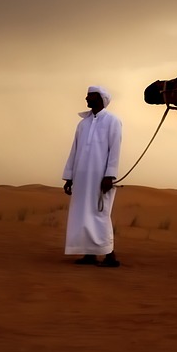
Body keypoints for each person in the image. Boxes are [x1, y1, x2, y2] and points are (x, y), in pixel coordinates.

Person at [62, 85, 122, 267]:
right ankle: (89, 255)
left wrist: (109, 176)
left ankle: (110, 256)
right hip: (81, 178)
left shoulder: (113, 121)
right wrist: (69, 177)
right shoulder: (83, 124)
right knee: (82, 215)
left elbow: (115, 150)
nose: (86, 98)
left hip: (100, 177)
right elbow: (75, 150)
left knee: (100, 214)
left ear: (100, 98)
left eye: (91, 96)